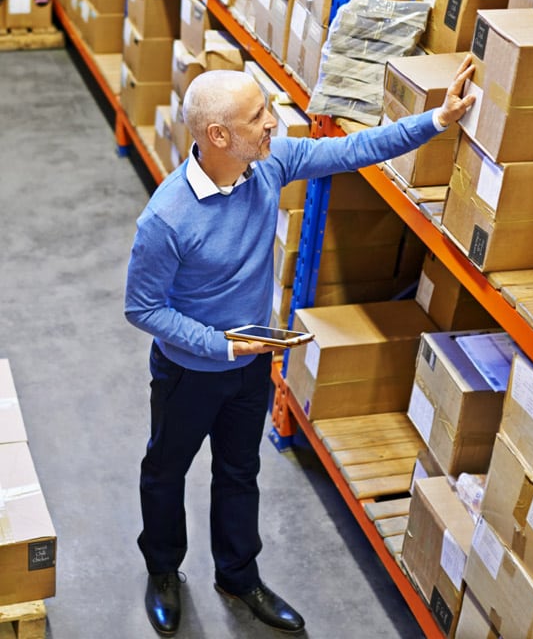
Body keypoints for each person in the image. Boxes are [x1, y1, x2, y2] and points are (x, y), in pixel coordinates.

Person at [124, 55, 475, 636]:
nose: (274, 122)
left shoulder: (269, 163)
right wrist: (219, 346)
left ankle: (238, 575)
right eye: (258, 115)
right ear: (218, 136)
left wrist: (436, 119)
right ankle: (163, 570)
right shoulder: (165, 219)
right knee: (166, 471)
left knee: (240, 471)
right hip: (191, 371)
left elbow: (350, 151)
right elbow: (143, 308)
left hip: (251, 366)